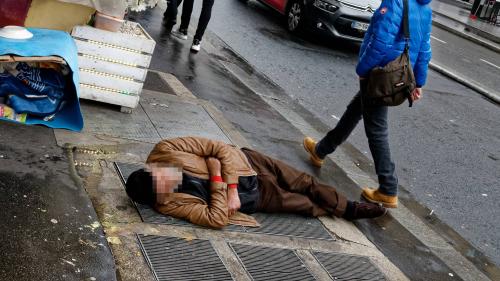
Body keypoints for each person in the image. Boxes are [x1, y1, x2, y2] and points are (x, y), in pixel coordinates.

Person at [303, 0, 432, 209]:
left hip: (381, 73)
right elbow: (424, 48)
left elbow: (381, 40)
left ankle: (388, 188)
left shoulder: (395, 1)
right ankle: (320, 150)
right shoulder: (425, 7)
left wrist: (364, 70)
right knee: (355, 110)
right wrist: (419, 81)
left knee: (376, 130)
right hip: (397, 73)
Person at [125, 137, 387, 229]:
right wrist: (217, 178)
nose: (170, 182)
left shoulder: (166, 149)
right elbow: (215, 219)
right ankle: (341, 210)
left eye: (164, 177)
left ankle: (350, 207)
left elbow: (218, 149)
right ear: (159, 198)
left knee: (304, 181)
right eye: (165, 190)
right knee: (305, 205)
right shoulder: (167, 205)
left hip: (248, 162)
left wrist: (229, 189)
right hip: (254, 198)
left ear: (154, 168)